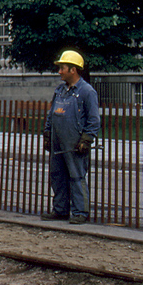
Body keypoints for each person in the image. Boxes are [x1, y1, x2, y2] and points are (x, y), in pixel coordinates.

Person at [42, 50, 100, 225]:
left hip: (74, 143)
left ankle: (80, 212)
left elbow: (94, 119)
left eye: (62, 68)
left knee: (76, 176)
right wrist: (47, 133)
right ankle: (60, 210)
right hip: (57, 141)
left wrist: (87, 139)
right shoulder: (60, 90)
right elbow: (51, 114)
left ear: (73, 70)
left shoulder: (86, 92)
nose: (59, 71)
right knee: (57, 175)